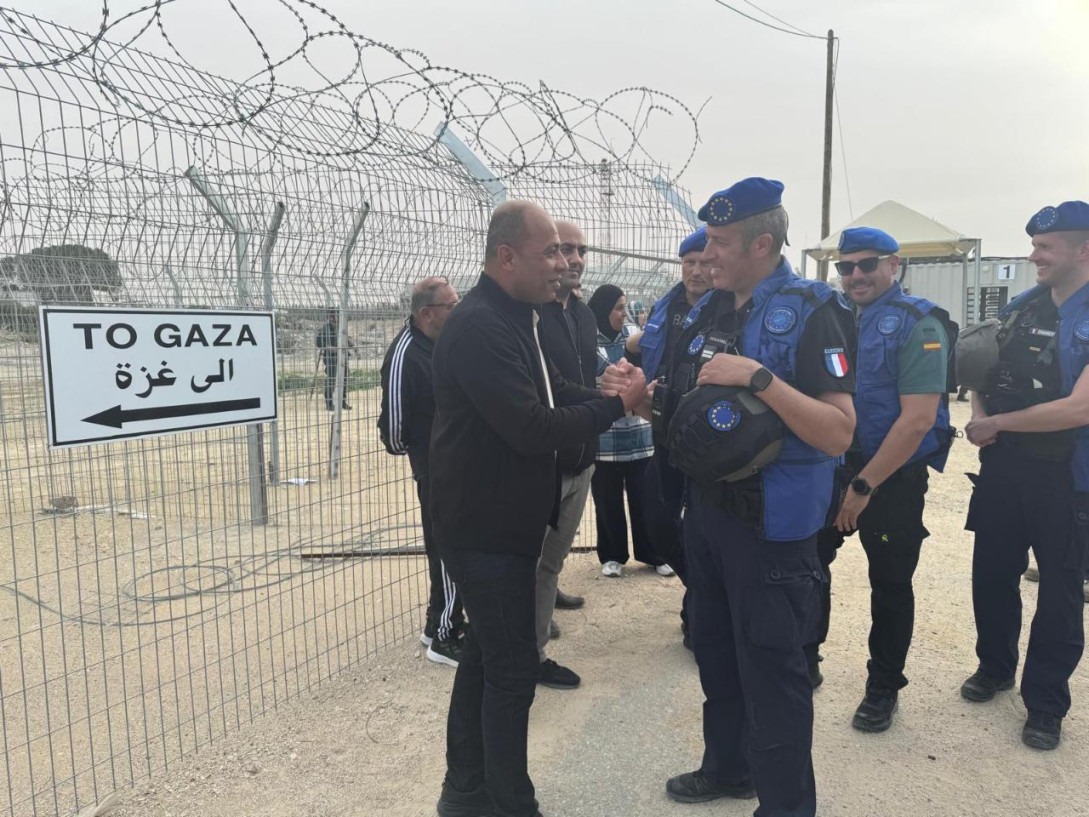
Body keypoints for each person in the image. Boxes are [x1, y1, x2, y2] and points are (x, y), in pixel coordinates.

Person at [607, 177, 856, 815]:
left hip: (773, 526)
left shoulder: (811, 310)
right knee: (714, 652)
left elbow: (837, 431)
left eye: (718, 243)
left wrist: (762, 378)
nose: (704, 255)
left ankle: (786, 806)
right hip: (708, 514)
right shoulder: (707, 311)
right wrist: (641, 395)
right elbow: (691, 409)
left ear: (762, 244)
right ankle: (727, 769)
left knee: (773, 671)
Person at [429, 200, 647, 817]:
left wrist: (610, 390)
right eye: (550, 251)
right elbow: (529, 426)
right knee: (511, 667)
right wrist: (618, 408)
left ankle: (466, 790)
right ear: (506, 257)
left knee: (485, 656)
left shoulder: (518, 316)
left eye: (564, 251)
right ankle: (508, 800)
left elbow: (553, 390)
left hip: (507, 521)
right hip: (483, 526)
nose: (563, 264)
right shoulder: (480, 326)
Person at [803, 227, 954, 733]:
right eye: (846, 267)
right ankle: (805, 660)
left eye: (867, 264)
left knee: (890, 582)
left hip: (890, 476)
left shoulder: (918, 323)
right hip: (832, 465)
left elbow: (915, 422)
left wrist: (863, 487)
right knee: (808, 565)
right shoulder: (834, 320)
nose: (856, 275)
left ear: (895, 265)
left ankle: (883, 686)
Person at [959, 200, 1089, 751]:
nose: (1034, 255)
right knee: (991, 572)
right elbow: (983, 369)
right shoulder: (1022, 308)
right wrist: (980, 412)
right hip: (1004, 468)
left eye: (1045, 247)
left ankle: (1045, 703)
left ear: (1083, 250)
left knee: (1059, 590)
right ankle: (994, 667)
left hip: (1067, 475)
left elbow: (1080, 409)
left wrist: (999, 422)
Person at [631, 226, 713, 647]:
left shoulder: (730, 308)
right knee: (660, 522)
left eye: (703, 263)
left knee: (703, 527)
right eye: (688, 263)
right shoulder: (668, 304)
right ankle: (700, 589)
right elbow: (649, 352)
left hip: (711, 437)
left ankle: (702, 611)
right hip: (664, 428)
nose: (696, 272)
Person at [378, 276, 465, 667]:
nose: (458, 308)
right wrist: (422, 450)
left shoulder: (447, 343)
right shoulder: (405, 354)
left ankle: (436, 623)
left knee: (453, 546)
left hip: (457, 461)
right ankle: (445, 637)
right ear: (427, 313)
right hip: (435, 468)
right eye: (451, 304)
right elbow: (394, 429)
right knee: (449, 550)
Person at [534, 220, 598, 690]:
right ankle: (532, 652)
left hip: (583, 454)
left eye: (580, 250)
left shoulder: (583, 313)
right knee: (533, 557)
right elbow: (554, 389)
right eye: (564, 249)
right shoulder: (533, 316)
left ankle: (544, 605)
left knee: (553, 557)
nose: (574, 259)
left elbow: (588, 379)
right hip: (548, 459)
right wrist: (611, 405)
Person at [587, 284, 664, 578]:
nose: (623, 313)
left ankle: (653, 553)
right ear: (604, 309)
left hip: (639, 434)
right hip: (606, 438)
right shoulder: (588, 339)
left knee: (645, 497)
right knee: (607, 500)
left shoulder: (633, 337)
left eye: (624, 307)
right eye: (618, 307)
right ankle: (612, 555)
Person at [315, 309, 351, 411]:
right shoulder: (325, 329)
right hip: (331, 358)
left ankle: (343, 402)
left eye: (335, 316)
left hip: (342, 357)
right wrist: (328, 347)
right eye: (331, 316)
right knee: (331, 380)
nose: (334, 318)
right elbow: (318, 343)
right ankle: (329, 403)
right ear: (328, 317)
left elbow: (347, 341)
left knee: (344, 379)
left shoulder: (341, 328)